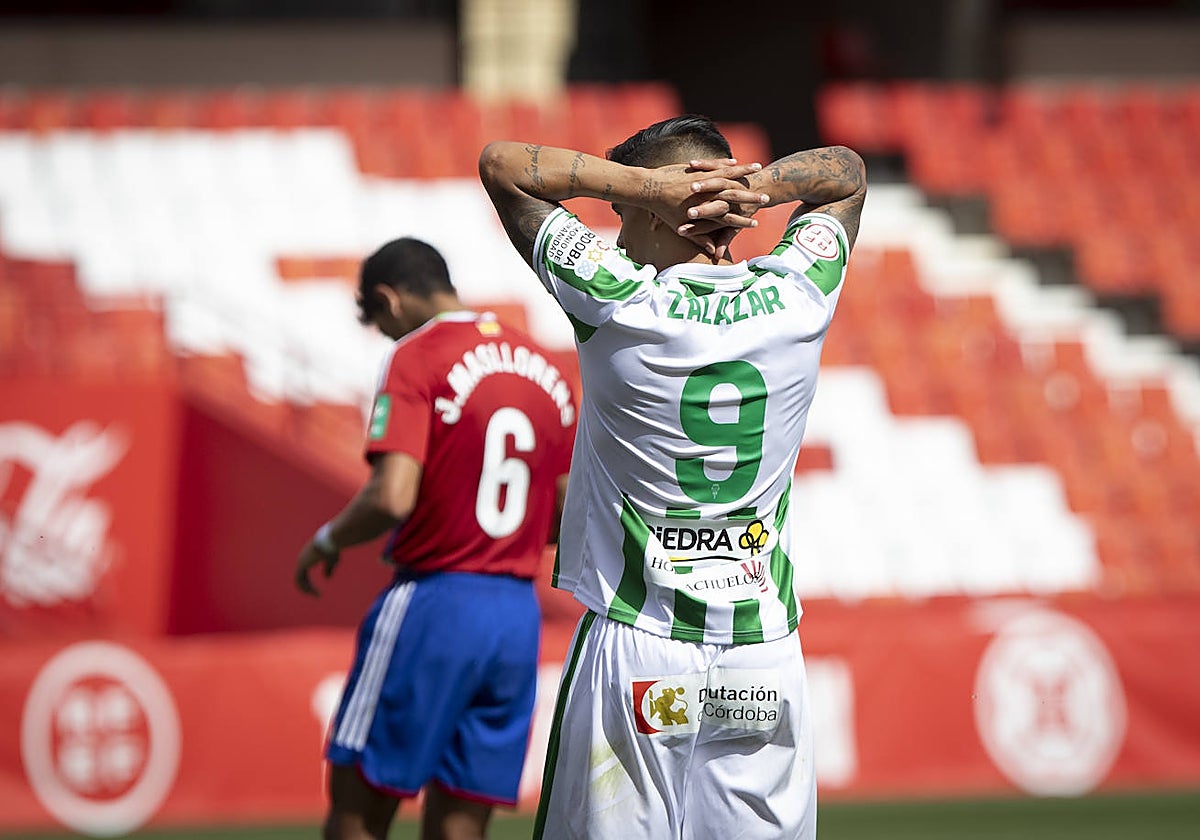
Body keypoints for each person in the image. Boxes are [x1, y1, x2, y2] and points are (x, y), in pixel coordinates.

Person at [478, 116, 866, 839]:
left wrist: (648, 188)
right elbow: (846, 173)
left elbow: (502, 166)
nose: (621, 236)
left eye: (626, 216)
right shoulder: (796, 298)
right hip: (762, 657)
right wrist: (753, 186)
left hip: (640, 649)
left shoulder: (621, 304)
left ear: (661, 212)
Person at [294, 237, 577, 840]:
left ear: (387, 300)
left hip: (435, 603)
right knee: (461, 824)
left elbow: (392, 494)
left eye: (379, 323)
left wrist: (327, 540)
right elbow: (561, 514)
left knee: (357, 810)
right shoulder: (545, 365)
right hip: (515, 618)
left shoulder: (417, 357)